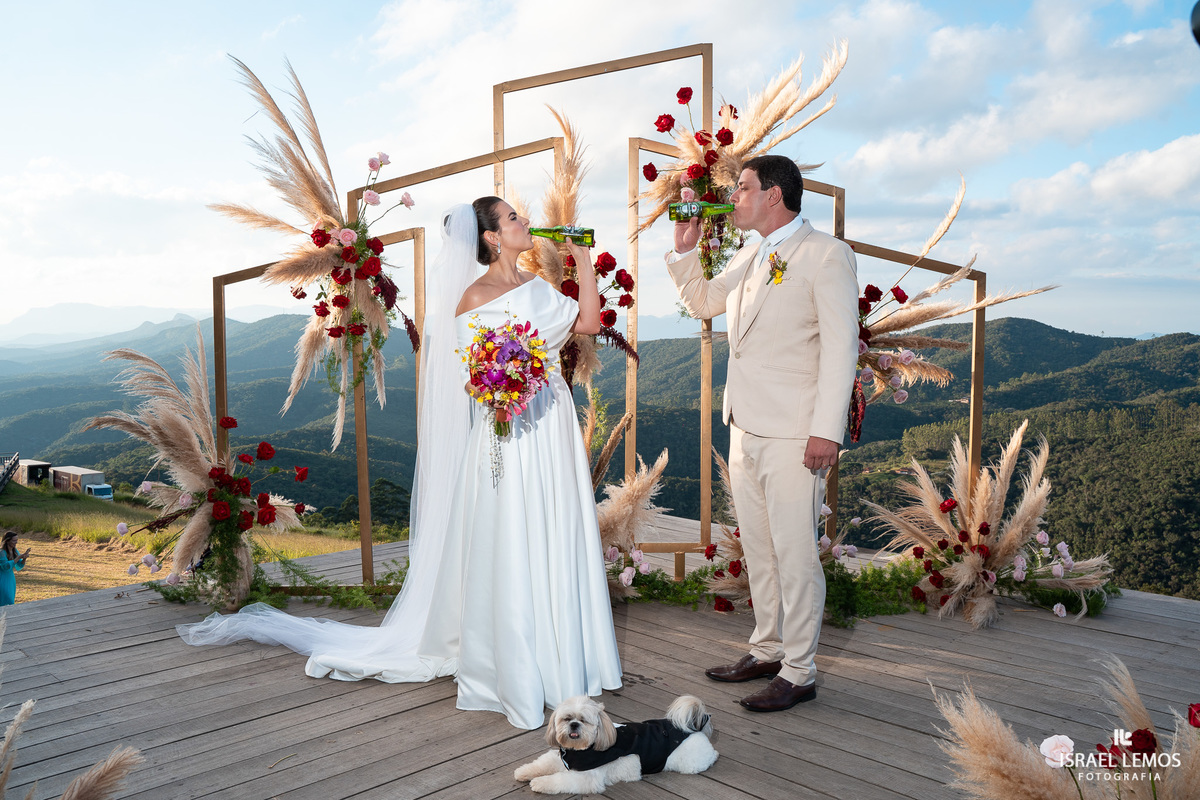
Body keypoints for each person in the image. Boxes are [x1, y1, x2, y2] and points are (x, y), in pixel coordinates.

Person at [178, 198, 622, 730]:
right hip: (508, 430)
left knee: (556, 532)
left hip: (552, 427)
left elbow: (591, 326)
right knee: (511, 538)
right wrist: (503, 391)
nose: (525, 223)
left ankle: (563, 655)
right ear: (490, 238)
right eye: (512, 219)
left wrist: (585, 260)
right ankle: (518, 661)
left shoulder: (542, 290)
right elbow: (471, 379)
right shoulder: (471, 301)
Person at [665, 155, 859, 712]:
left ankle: (799, 671)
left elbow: (842, 347)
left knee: (795, 552)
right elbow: (702, 302)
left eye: (742, 188)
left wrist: (827, 430)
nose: (734, 199)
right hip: (744, 426)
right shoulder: (753, 252)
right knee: (761, 547)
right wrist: (683, 249)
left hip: (799, 434)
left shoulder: (827, 254)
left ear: (773, 195)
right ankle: (768, 647)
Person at [0, 531, 29, 606]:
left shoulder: (15, 551)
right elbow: (6, 566)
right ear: (7, 540)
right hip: (2, 578)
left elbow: (19, 565)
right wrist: (19, 557)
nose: (16, 542)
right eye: (14, 540)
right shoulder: (2, 552)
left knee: (10, 600)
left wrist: (24, 558)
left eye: (17, 540)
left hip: (10, 579)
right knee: (5, 599)